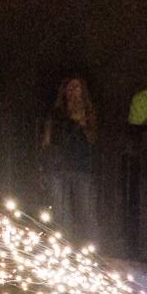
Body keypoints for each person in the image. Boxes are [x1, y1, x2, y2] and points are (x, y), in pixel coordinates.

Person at [39, 75, 99, 239]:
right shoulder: (55, 114)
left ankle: (91, 252)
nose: (73, 91)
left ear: (82, 91)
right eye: (70, 87)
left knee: (86, 212)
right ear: (64, 91)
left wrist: (82, 122)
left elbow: (93, 139)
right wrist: (42, 167)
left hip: (82, 167)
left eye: (77, 87)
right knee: (60, 213)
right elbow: (46, 141)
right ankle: (63, 250)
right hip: (57, 167)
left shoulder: (88, 113)